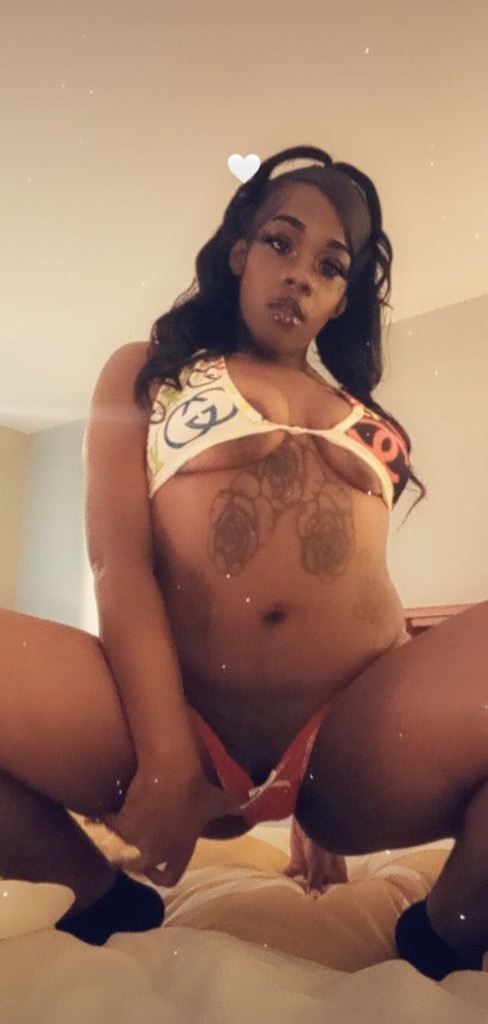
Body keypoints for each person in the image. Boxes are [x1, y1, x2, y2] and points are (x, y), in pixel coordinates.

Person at [1, 145, 487, 978]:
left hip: (348, 743)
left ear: (342, 297)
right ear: (239, 252)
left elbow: (361, 579)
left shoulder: (366, 417)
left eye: (329, 265)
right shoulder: (150, 371)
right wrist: (165, 757)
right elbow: (119, 564)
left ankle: (443, 933)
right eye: (280, 242)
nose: (299, 273)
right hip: (176, 720)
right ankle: (99, 898)